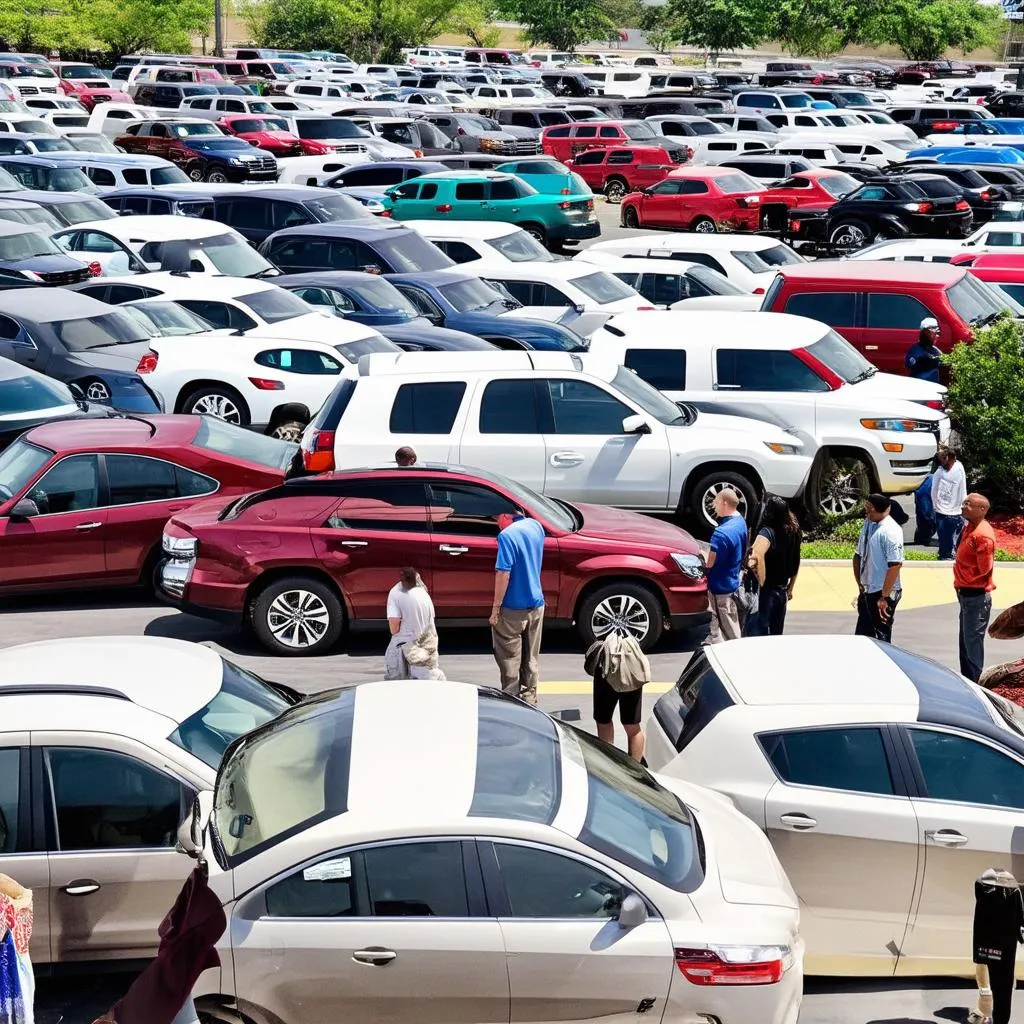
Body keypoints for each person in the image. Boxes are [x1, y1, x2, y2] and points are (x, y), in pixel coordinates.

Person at [490, 510, 545, 704]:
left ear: (505, 516)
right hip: (537, 604)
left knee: (509, 660)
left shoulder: (506, 536)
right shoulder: (535, 526)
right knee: (531, 657)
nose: (497, 524)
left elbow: (503, 574)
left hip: (513, 609)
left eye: (497, 519)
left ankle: (512, 701)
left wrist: (495, 609)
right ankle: (530, 698)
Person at [744, 495, 802, 636]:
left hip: (767, 590)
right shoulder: (794, 531)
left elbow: (757, 555)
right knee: (776, 632)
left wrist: (761, 580)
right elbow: (796, 561)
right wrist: (791, 587)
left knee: (759, 632)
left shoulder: (768, 532)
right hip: (783, 589)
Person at [955, 492, 996, 682]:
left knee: (972, 644)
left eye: (968, 504)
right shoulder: (969, 527)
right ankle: (968, 682)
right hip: (966, 595)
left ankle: (977, 684)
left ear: (981, 509)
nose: (963, 506)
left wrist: (964, 577)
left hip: (975, 596)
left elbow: (984, 569)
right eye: (964, 503)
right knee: (965, 641)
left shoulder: (983, 535)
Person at [853, 493, 905, 643]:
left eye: (870, 510)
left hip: (882, 591)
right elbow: (859, 554)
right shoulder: (869, 523)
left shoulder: (890, 531)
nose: (867, 513)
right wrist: (861, 585)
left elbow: (895, 565)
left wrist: (884, 597)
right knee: (863, 635)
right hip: (869, 588)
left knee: (880, 636)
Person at [703, 488, 748, 644]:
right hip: (733, 581)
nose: (713, 506)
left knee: (728, 628)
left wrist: (702, 563)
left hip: (719, 588)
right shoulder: (740, 522)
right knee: (732, 621)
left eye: (715, 502)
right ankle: (714, 640)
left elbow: (710, 563)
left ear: (724, 503)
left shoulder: (720, 534)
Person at [384, 567, 441, 680]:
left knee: (396, 687)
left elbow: (394, 628)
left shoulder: (395, 593)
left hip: (404, 647)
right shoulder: (424, 595)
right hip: (426, 647)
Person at [931, 445, 967, 560]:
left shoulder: (956, 468)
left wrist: (964, 506)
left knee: (953, 547)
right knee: (947, 545)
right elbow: (934, 492)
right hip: (946, 513)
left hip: (954, 513)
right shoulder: (941, 472)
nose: (943, 464)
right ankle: (947, 558)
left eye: (944, 459)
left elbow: (963, 487)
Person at [905, 317, 943, 382]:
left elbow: (944, 360)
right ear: (925, 333)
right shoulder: (915, 350)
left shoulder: (936, 351)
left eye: (937, 333)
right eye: (934, 333)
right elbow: (909, 364)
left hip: (934, 387)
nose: (937, 336)